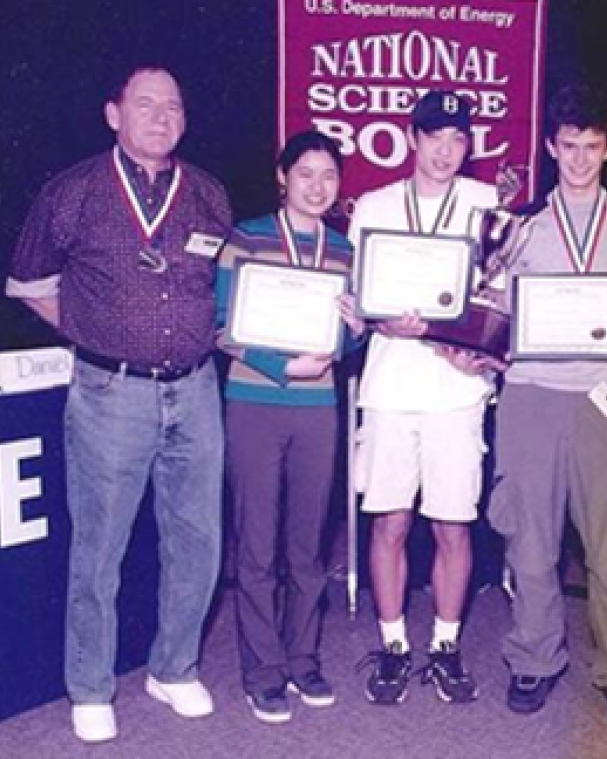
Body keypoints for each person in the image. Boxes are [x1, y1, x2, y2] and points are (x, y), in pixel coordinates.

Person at [5, 65, 231, 744]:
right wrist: (93, 334)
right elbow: (28, 283)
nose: (161, 117)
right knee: (100, 547)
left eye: (173, 106)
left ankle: (174, 666)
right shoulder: (72, 191)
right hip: (110, 392)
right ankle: (91, 684)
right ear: (114, 113)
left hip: (196, 388)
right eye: (145, 104)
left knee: (197, 539)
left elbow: (224, 287)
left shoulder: (210, 195)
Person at [489, 84, 607, 723]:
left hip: (604, 397)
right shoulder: (522, 221)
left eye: (592, 147)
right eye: (569, 147)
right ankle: (534, 659)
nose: (581, 159)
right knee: (529, 540)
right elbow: (494, 306)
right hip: (531, 394)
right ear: (550, 147)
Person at [351, 90, 500, 707]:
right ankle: (392, 646)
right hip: (390, 387)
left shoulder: (488, 206)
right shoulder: (375, 204)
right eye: (434, 136)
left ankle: (444, 645)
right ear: (413, 138)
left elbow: (497, 301)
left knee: (453, 525)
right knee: (390, 520)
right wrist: (378, 318)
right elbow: (360, 297)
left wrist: (480, 347)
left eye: (457, 139)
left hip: (458, 390)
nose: (445, 150)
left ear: (469, 146)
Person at [213, 130, 364, 723]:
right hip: (254, 401)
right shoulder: (245, 237)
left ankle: (303, 658)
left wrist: (355, 330)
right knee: (256, 545)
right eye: (306, 173)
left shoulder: (343, 250)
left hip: (317, 407)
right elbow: (223, 327)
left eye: (329, 175)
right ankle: (262, 671)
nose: (318, 186)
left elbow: (348, 340)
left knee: (309, 545)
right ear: (283, 176)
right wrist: (281, 365)